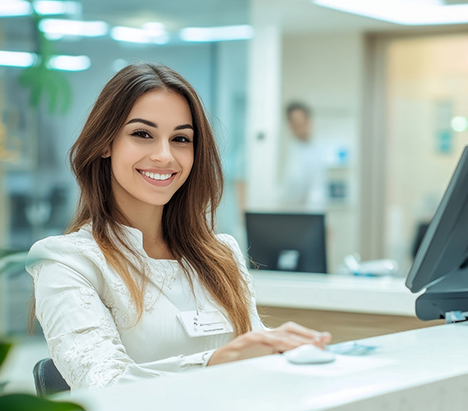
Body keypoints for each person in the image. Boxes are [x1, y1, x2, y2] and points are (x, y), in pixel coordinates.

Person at [26, 63, 331, 390]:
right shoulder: (65, 261)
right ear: (105, 143)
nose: (164, 155)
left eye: (181, 138)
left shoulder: (220, 253)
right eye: (142, 134)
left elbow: (252, 357)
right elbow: (104, 386)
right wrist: (214, 362)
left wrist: (281, 350)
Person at [280, 102, 328, 211]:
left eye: (303, 121)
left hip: (313, 218)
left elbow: (318, 192)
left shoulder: (317, 150)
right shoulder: (286, 153)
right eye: (296, 122)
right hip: (291, 217)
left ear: (309, 121)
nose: (300, 126)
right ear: (289, 125)